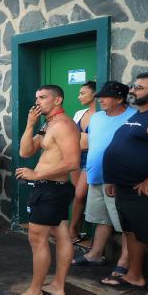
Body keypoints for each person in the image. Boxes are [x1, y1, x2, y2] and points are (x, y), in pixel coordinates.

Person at [8, 85, 80, 295]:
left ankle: (35, 292)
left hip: (51, 189)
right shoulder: (49, 124)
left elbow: (72, 162)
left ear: (57, 100)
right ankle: (57, 286)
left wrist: (37, 173)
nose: (37, 101)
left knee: (37, 239)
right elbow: (25, 151)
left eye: (43, 97)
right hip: (50, 188)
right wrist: (30, 124)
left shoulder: (64, 125)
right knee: (62, 235)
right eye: (36, 97)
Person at [102, 73, 148, 295]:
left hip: (142, 191)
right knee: (132, 233)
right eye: (134, 86)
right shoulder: (138, 116)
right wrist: (113, 178)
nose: (133, 90)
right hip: (123, 187)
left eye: (139, 87)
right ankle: (134, 275)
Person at [79, 81, 136, 284]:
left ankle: (124, 261)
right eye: (100, 96)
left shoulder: (132, 118)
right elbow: (89, 142)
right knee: (101, 219)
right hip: (96, 175)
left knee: (124, 226)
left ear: (120, 99)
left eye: (105, 97)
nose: (100, 100)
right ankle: (95, 254)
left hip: (117, 179)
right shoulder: (97, 117)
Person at [69, 81, 96, 243]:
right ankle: (77, 230)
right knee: (78, 195)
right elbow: (73, 136)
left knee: (80, 194)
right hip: (75, 157)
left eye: (83, 93)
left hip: (90, 159)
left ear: (94, 94)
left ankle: (72, 229)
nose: (79, 96)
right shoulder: (79, 113)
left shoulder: (102, 115)